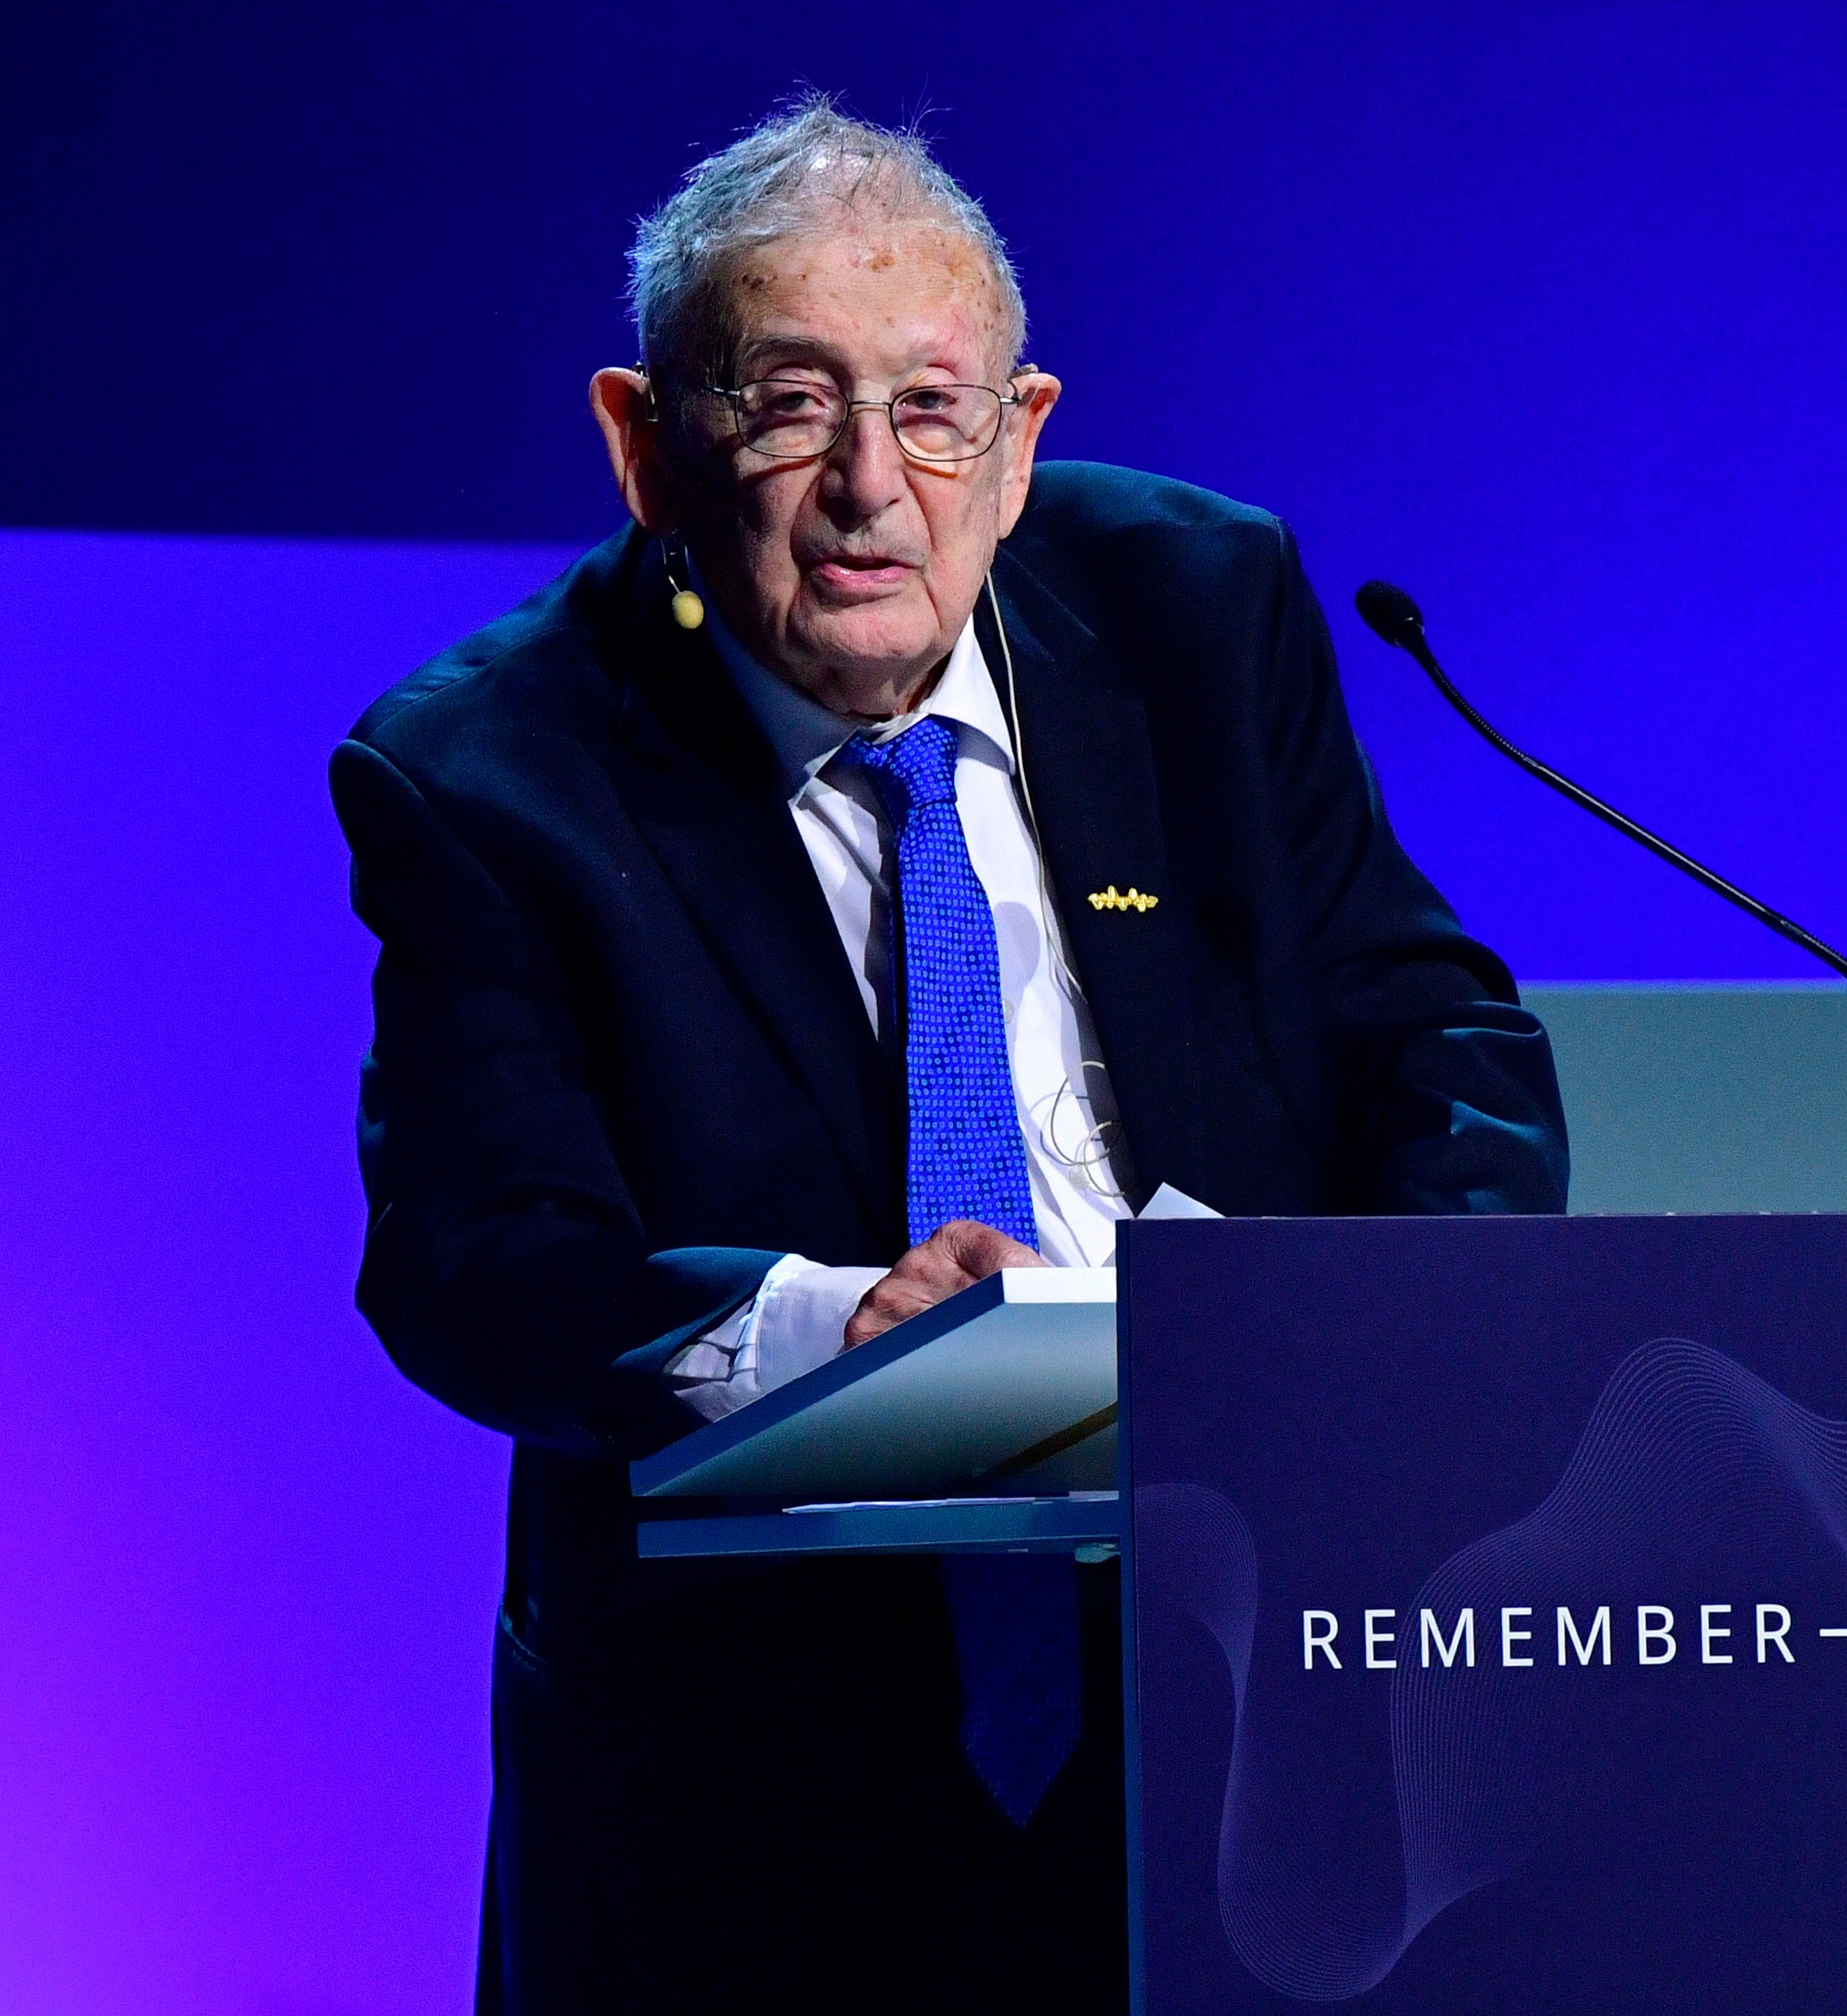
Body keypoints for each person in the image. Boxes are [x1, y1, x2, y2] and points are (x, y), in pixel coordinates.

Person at [331, 93, 1568, 2013]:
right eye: (789, 402)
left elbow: (1441, 1044)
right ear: (646, 444)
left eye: (930, 408)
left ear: (1020, 443)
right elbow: (479, 1266)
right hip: (753, 1783)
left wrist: (1347, 1346)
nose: (871, 489)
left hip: (1249, 1694)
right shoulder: (488, 774)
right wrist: (838, 1338)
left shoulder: (1201, 608)